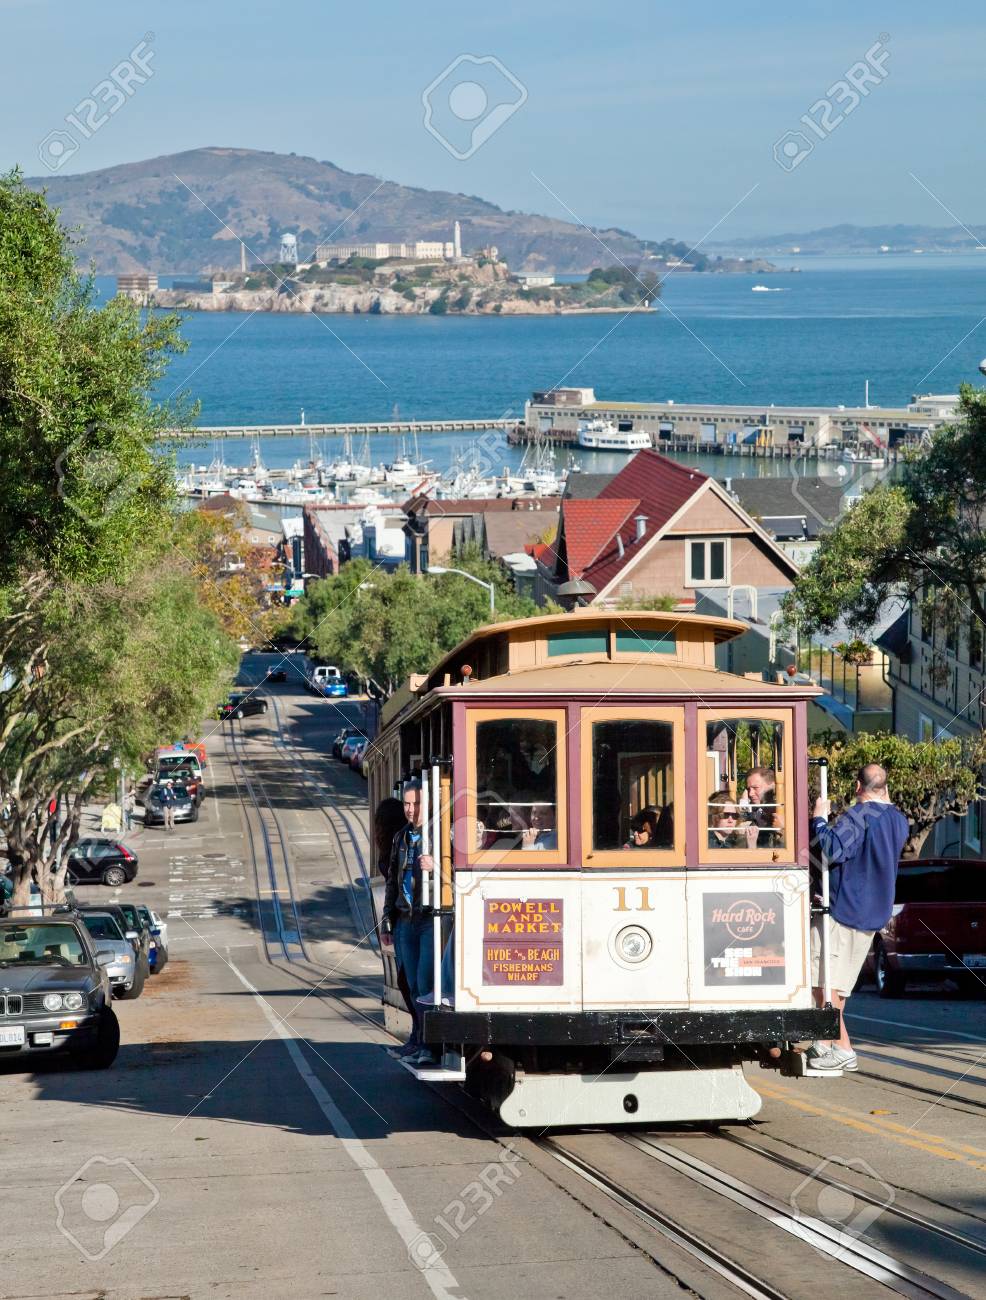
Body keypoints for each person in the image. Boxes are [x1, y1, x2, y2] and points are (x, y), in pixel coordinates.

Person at [807, 762, 908, 1072]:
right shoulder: (899, 820)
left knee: (827, 984)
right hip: (871, 912)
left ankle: (842, 1048)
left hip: (846, 909)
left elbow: (830, 850)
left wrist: (819, 819)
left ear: (857, 787)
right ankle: (824, 1042)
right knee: (835, 984)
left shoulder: (861, 815)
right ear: (885, 786)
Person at [382, 780, 438, 1066]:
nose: (410, 809)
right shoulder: (401, 838)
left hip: (428, 919)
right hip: (404, 919)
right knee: (410, 984)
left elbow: (459, 874)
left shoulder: (437, 835)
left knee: (424, 983)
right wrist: (386, 921)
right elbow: (393, 879)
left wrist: (437, 867)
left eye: (416, 804)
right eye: (406, 803)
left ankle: (428, 1044)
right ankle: (417, 1038)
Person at [739, 767, 780, 846]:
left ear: (771, 786)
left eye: (755, 788)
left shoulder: (776, 809)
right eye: (748, 789)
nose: (750, 794)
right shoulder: (758, 808)